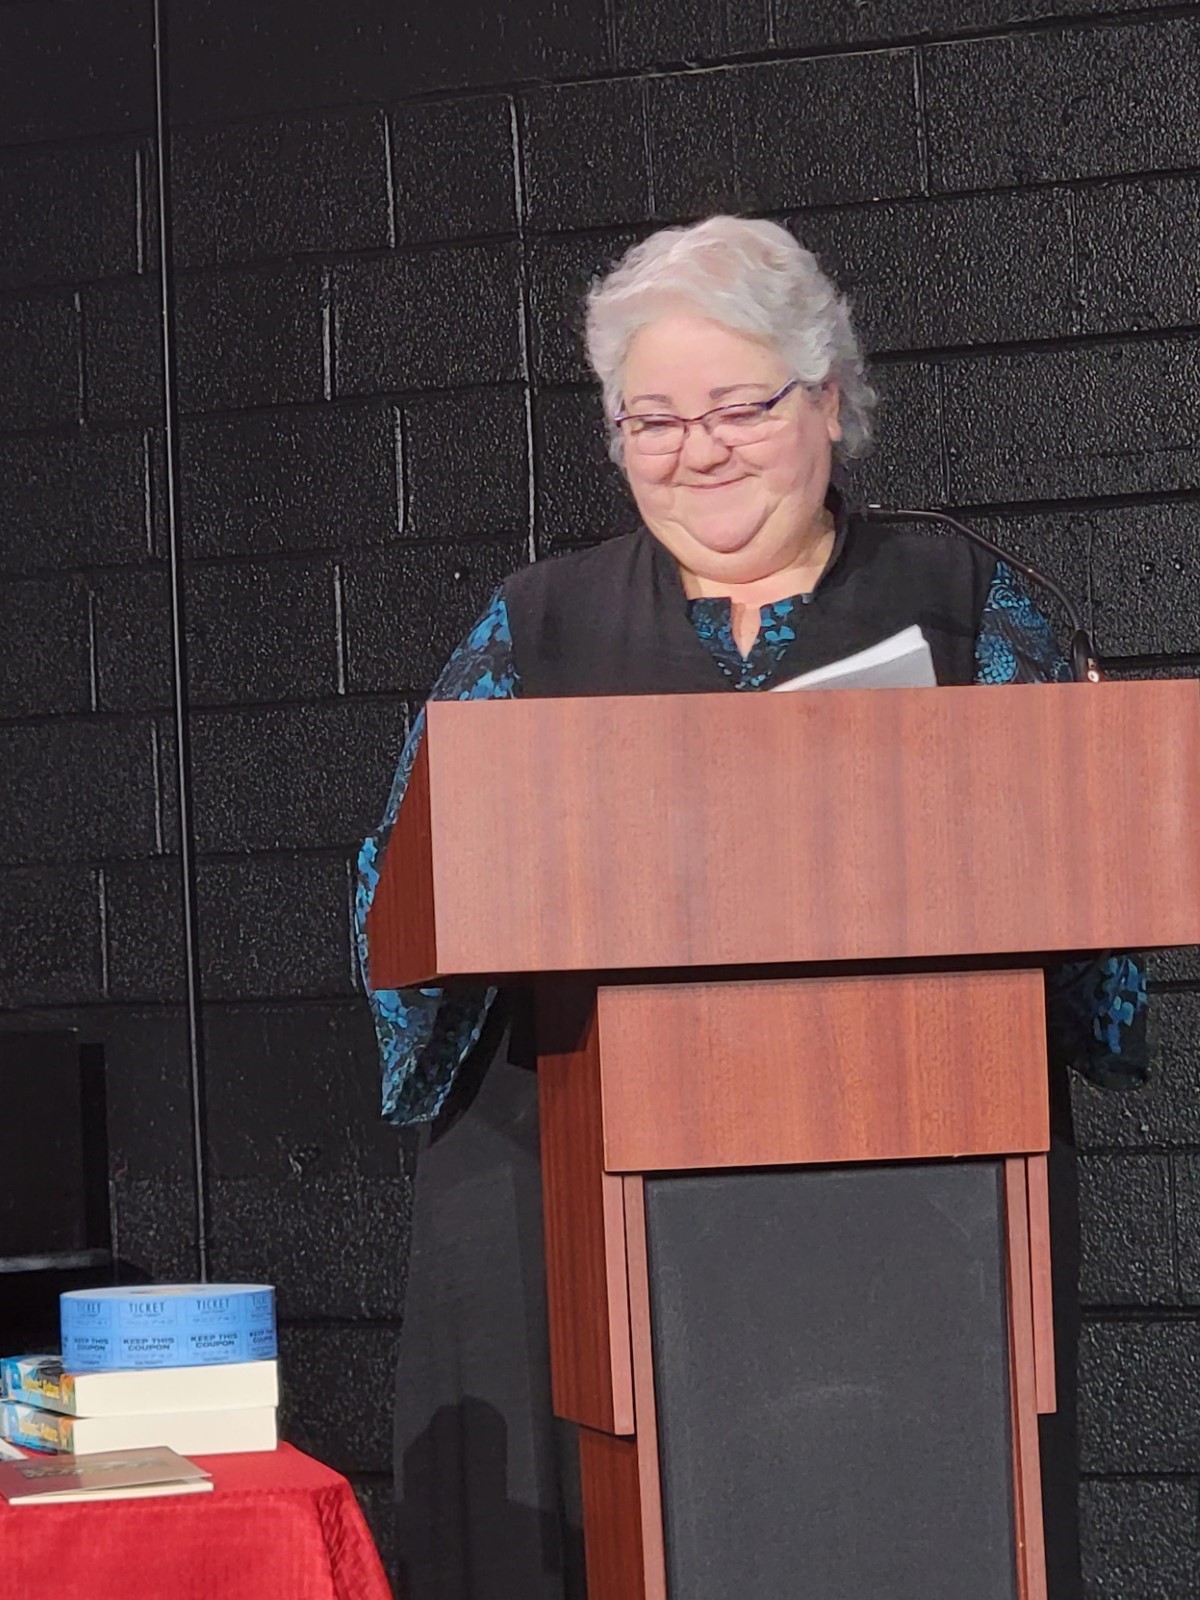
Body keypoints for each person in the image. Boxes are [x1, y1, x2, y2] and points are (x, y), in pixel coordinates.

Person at [356, 215, 1148, 1600]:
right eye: (654, 421)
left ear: (829, 400)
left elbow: (1098, 940)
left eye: (739, 408)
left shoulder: (963, 604)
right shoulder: (530, 629)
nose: (698, 450)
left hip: (910, 1204)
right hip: (573, 1205)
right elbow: (399, 910)